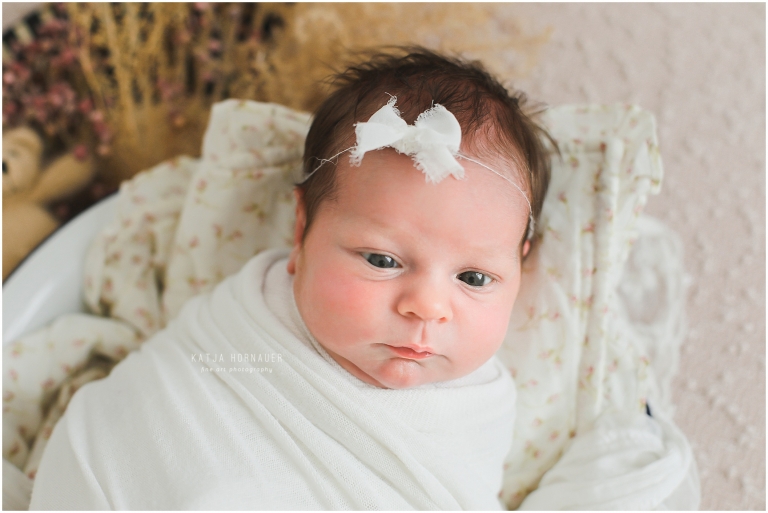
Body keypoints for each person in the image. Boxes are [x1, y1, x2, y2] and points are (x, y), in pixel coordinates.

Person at [29, 48, 552, 509]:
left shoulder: (480, 407)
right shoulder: (240, 335)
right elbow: (154, 419)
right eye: (382, 261)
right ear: (302, 229)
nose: (428, 307)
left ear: (519, 265)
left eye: (475, 277)